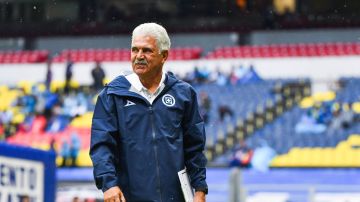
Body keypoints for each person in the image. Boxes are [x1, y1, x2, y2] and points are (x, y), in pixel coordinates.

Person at [90, 22, 208, 202]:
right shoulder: (111, 95)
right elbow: (101, 145)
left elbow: (194, 147)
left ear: (164, 55)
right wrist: (109, 184)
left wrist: (200, 189)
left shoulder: (184, 94)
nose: (139, 56)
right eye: (134, 50)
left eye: (146, 50)